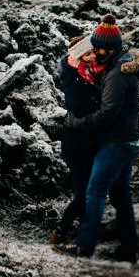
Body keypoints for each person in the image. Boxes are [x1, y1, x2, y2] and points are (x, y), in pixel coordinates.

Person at [53, 14, 139, 263]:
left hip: (116, 142)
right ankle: (129, 249)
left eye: (99, 48)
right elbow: (74, 55)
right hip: (127, 140)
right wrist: (68, 63)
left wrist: (79, 123)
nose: (96, 52)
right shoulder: (121, 62)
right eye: (93, 48)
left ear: (111, 49)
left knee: (94, 192)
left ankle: (84, 246)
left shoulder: (116, 74)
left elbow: (107, 113)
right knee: (121, 196)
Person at [48, 32, 102, 249]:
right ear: (78, 57)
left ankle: (84, 231)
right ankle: (60, 231)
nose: (93, 56)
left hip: (89, 139)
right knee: (84, 192)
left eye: (93, 52)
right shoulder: (73, 77)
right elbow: (77, 106)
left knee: (89, 189)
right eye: (87, 54)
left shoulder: (91, 72)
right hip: (76, 142)